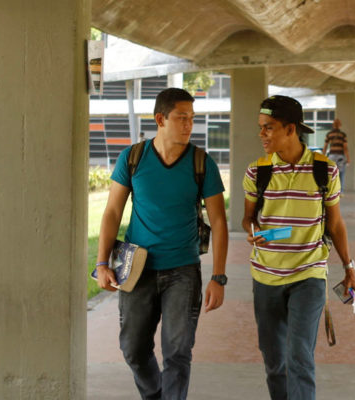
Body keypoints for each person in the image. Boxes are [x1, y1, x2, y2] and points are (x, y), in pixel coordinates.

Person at [95, 88, 228, 400]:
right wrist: (102, 264)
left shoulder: (201, 163)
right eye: (182, 118)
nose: (188, 125)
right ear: (160, 119)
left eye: (192, 119)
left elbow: (219, 222)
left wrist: (218, 277)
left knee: (178, 353)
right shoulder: (133, 158)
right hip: (137, 269)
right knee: (133, 349)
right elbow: (112, 212)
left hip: (183, 271)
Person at [242, 95, 355, 400]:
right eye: (261, 128)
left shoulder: (325, 171)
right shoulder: (258, 172)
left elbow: (335, 225)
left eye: (269, 128)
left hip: (308, 275)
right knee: (274, 362)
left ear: (291, 129)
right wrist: (254, 231)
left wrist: (350, 269)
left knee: (299, 357)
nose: (262, 134)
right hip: (266, 276)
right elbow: (247, 219)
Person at [323, 118, 350, 192]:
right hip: (340, 156)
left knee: (331, 173)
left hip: (331, 156)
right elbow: (345, 147)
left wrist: (323, 156)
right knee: (341, 173)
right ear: (340, 125)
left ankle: (331, 190)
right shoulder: (343, 135)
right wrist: (348, 158)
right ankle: (340, 191)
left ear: (333, 125)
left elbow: (325, 146)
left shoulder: (329, 134)